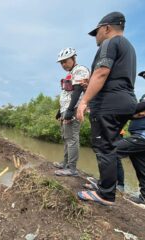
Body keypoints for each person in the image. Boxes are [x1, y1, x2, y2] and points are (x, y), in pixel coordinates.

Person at [76, 12, 138, 206]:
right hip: (124, 100)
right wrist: (91, 84)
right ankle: (105, 184)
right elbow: (112, 76)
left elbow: (102, 72)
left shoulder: (109, 43)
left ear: (106, 28)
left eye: (97, 32)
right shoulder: (129, 47)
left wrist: (84, 101)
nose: (96, 37)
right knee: (108, 145)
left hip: (109, 104)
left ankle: (106, 194)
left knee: (104, 147)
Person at [53, 47, 90, 176]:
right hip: (66, 109)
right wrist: (60, 111)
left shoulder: (80, 70)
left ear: (73, 58)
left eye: (65, 61)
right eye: (61, 62)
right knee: (66, 137)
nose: (63, 64)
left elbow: (78, 90)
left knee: (72, 138)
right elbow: (67, 94)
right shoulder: (70, 73)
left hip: (73, 109)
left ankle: (72, 169)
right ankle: (65, 163)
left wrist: (69, 110)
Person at [115, 71, 145, 205]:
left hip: (142, 136)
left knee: (112, 150)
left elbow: (138, 111)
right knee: (141, 167)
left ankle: (108, 185)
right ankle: (144, 197)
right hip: (137, 135)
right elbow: (136, 113)